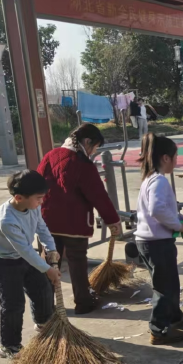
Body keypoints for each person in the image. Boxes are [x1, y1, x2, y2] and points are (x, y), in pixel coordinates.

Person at [37, 124, 122, 314]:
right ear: (87, 141)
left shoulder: (49, 156)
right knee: (77, 263)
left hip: (47, 222)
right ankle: (83, 303)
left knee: (48, 263)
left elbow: (36, 183)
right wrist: (113, 220)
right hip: (74, 223)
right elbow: (98, 196)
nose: (94, 152)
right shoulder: (83, 163)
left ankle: (45, 306)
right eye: (95, 147)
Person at [0, 170, 61, 359]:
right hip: (1, 262)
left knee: (42, 289)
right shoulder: (7, 220)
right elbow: (24, 250)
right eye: (39, 198)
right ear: (19, 197)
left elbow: (41, 227)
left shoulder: (32, 207)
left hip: (24, 256)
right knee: (13, 303)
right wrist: (48, 269)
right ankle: (9, 346)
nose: (41, 201)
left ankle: (43, 323)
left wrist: (51, 248)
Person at [135, 133, 183, 344]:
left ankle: (173, 315)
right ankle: (159, 329)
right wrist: (179, 226)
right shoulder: (159, 180)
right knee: (164, 286)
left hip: (150, 242)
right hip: (157, 243)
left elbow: (161, 210)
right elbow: (157, 209)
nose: (176, 161)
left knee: (169, 281)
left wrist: (180, 218)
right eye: (175, 157)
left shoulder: (150, 178)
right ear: (165, 158)